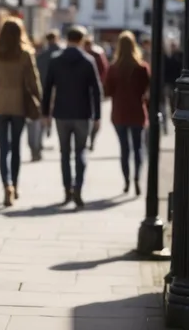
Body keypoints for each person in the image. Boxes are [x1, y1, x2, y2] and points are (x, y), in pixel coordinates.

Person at [0, 17, 41, 206]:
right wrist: (39, 99)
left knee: (3, 148)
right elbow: (33, 81)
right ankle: (15, 184)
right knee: (16, 148)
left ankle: (6, 185)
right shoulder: (25, 53)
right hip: (19, 105)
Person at [41, 25, 102, 208]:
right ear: (82, 40)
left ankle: (67, 190)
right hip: (83, 114)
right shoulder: (88, 60)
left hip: (61, 114)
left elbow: (47, 88)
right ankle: (78, 189)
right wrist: (97, 116)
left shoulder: (56, 60)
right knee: (81, 152)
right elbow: (96, 91)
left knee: (65, 153)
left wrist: (45, 113)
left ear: (67, 39)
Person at [105, 31, 150, 195]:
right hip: (137, 111)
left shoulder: (113, 68)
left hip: (120, 112)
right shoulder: (142, 67)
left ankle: (126, 181)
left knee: (124, 149)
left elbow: (108, 91)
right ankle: (137, 178)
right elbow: (147, 89)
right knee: (138, 148)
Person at [28, 29, 62, 160]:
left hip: (42, 90)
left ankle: (38, 144)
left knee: (41, 116)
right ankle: (46, 135)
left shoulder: (41, 56)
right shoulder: (61, 55)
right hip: (58, 91)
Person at [84, 35, 109, 151]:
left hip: (94, 89)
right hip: (86, 90)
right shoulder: (84, 55)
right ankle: (86, 138)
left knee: (96, 117)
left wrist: (99, 84)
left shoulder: (97, 54)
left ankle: (91, 139)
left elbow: (104, 71)